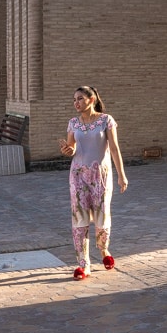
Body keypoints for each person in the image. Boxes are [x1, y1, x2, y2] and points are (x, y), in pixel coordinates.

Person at [59, 85, 128, 280]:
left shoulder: (106, 121)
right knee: (79, 218)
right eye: (74, 100)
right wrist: (67, 150)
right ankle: (83, 264)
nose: (76, 103)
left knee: (102, 216)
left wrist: (122, 174)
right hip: (78, 176)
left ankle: (104, 250)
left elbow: (114, 149)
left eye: (80, 98)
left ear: (91, 99)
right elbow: (72, 148)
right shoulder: (73, 123)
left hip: (101, 176)